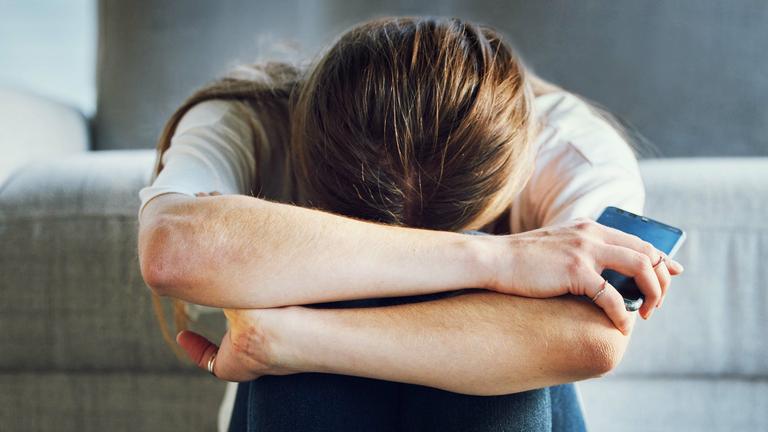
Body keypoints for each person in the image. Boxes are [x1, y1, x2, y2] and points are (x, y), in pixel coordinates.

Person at [137, 16, 683, 431]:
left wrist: (290, 338)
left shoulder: (570, 149)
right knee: (342, 275)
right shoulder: (251, 116)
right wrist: (497, 259)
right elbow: (171, 250)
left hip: (494, 399)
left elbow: (592, 340)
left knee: (513, 346)